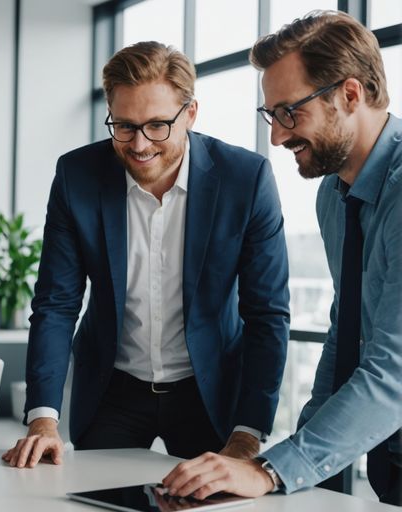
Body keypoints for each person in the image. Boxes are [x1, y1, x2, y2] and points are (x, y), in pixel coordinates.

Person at [4, 41, 290, 468]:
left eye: (158, 125)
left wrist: (248, 433)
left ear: (190, 113)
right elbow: (56, 304)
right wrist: (43, 417)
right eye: (124, 126)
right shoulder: (76, 176)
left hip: (209, 391)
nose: (139, 145)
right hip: (111, 390)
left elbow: (266, 313)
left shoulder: (245, 179)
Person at [163, 10, 401, 505]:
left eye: (290, 112)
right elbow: (346, 334)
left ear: (350, 95)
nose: (276, 136)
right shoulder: (334, 196)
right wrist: (282, 469)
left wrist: (274, 470)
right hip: (386, 450)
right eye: (270, 116)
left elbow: (394, 369)